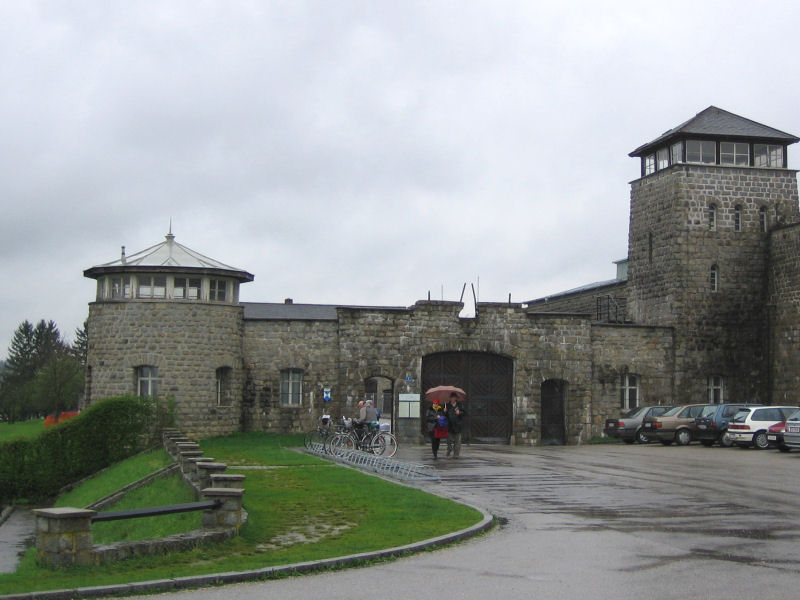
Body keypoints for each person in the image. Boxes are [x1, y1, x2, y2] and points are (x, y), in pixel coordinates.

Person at [444, 392, 467, 458]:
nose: (453, 399)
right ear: (450, 398)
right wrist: (444, 412)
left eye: (454, 397)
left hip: (457, 425)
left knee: (457, 441)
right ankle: (449, 448)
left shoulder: (460, 405)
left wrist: (459, 412)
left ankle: (456, 454)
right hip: (449, 425)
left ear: (456, 398)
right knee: (449, 440)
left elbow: (465, 413)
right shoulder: (447, 405)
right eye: (452, 397)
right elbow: (444, 416)